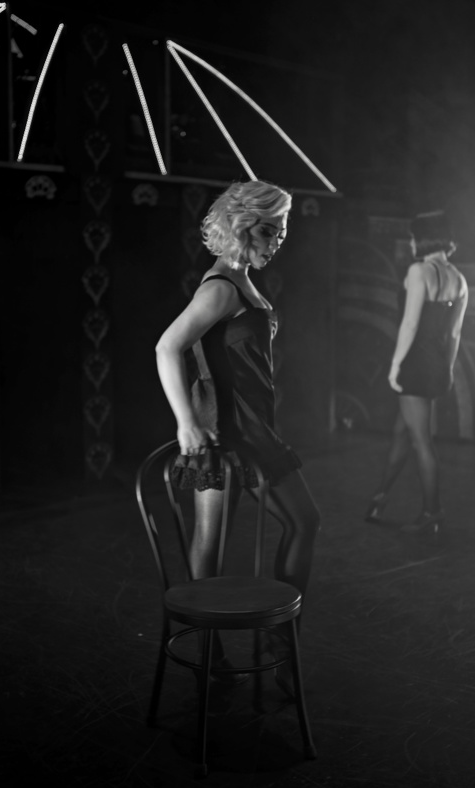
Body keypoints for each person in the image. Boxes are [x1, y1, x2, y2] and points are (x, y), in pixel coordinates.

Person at [155, 179, 320, 688]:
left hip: (254, 430)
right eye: (270, 231)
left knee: (302, 522)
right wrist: (186, 423)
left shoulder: (241, 279)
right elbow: (167, 347)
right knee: (213, 543)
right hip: (225, 432)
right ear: (243, 227)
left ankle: (278, 638)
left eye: (283, 233)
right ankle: (217, 651)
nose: (278, 242)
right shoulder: (221, 287)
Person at [365, 210, 468, 533]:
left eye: (412, 237)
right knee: (403, 432)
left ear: (424, 238)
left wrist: (395, 365)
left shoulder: (419, 271)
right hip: (437, 364)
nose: (410, 243)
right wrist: (447, 369)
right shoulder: (459, 279)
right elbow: (454, 334)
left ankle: (432, 511)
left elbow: (409, 324)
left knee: (421, 441)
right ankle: (380, 497)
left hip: (414, 364)